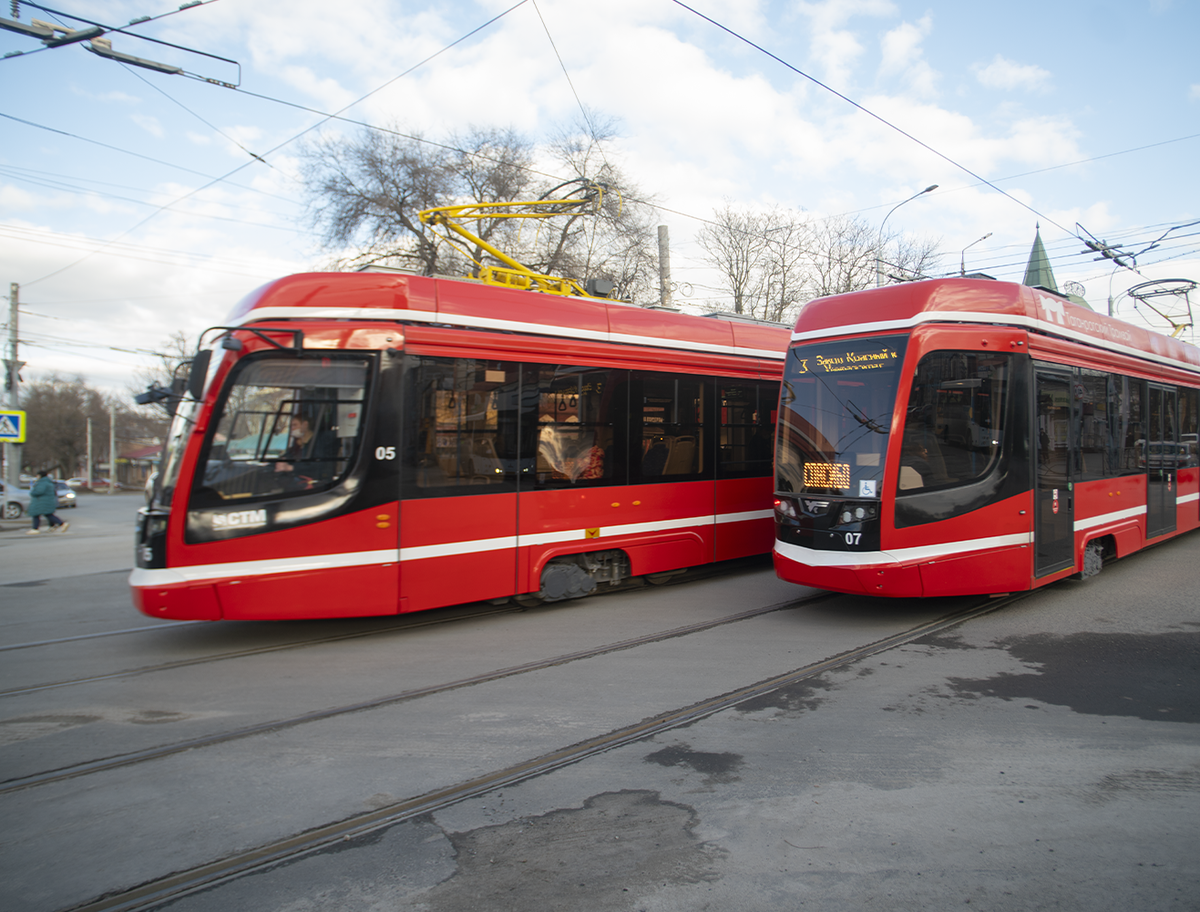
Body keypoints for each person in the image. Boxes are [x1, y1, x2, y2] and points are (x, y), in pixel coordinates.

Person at [274, 413, 336, 489]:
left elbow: (318, 466)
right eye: (291, 426)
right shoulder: (297, 444)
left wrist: (291, 468)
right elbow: (288, 456)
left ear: (305, 425)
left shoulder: (318, 443)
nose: (292, 428)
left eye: (295, 425)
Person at [28, 470, 68, 534]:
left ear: (40, 475)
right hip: (46, 501)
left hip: (41, 502)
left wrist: (32, 493)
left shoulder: (42, 482)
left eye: (37, 475)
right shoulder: (48, 482)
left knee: (36, 514)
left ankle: (35, 529)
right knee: (48, 514)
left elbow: (39, 491)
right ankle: (53, 526)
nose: (36, 477)